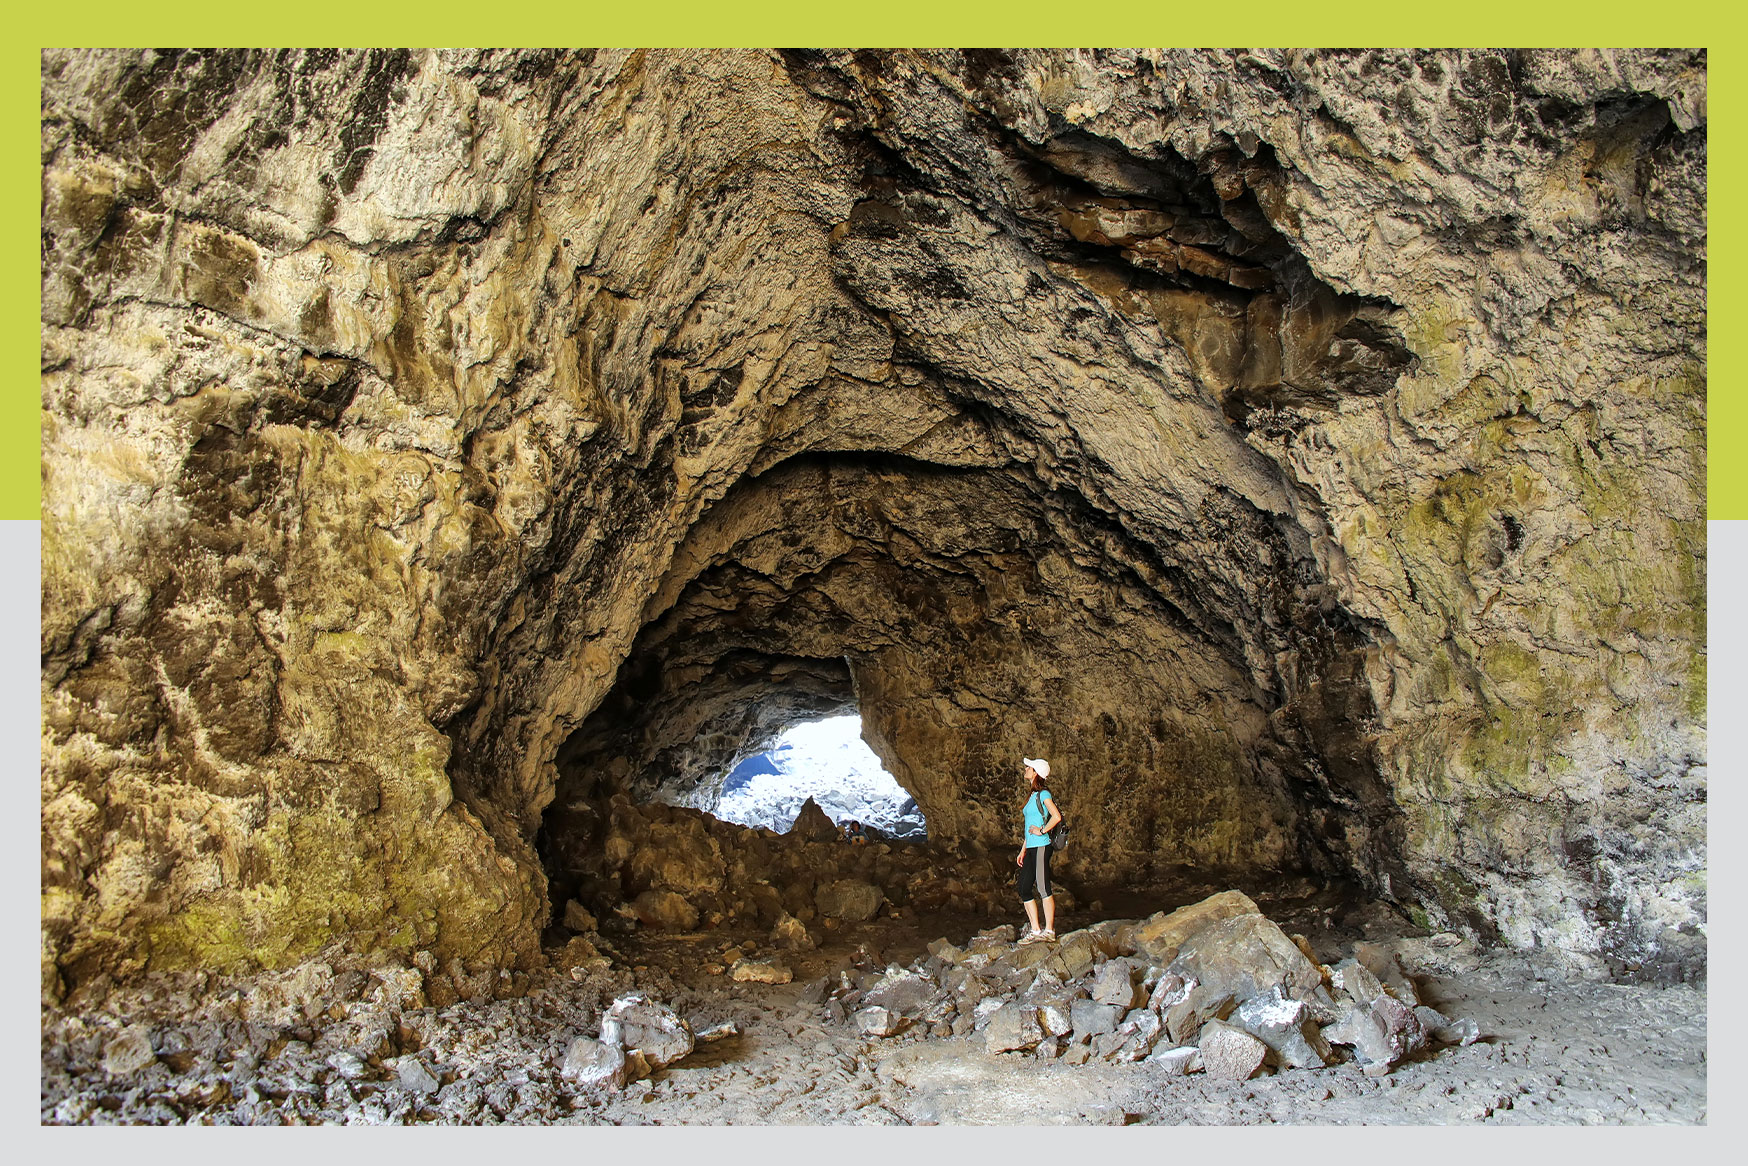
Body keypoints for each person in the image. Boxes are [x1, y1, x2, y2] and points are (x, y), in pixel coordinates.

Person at [1014, 756, 1062, 944]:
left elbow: (1056, 816)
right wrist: (1023, 849)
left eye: (1029, 768)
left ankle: (1049, 931)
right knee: (1024, 888)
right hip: (1032, 846)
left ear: (1036, 773)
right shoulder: (1032, 795)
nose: (1026, 769)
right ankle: (1035, 930)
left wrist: (1042, 830)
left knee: (1042, 887)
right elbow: (1029, 825)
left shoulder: (1044, 794)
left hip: (1042, 845)